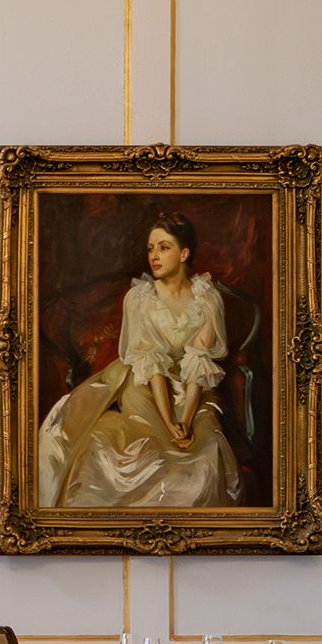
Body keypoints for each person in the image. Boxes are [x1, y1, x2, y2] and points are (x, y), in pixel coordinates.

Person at [33, 209, 245, 508]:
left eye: (163, 247)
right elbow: (152, 364)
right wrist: (168, 421)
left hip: (192, 390)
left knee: (203, 452)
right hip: (145, 384)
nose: (154, 256)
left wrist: (184, 420)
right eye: (150, 248)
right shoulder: (140, 298)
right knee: (133, 449)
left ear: (184, 253)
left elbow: (198, 365)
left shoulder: (207, 298)